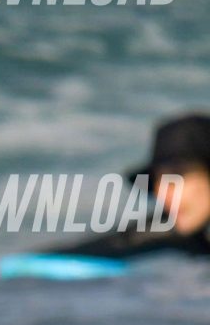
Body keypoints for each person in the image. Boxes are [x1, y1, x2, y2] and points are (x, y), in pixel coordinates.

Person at [47, 112, 210, 262]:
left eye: (176, 178)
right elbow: (112, 245)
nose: (162, 194)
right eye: (157, 181)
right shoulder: (176, 229)